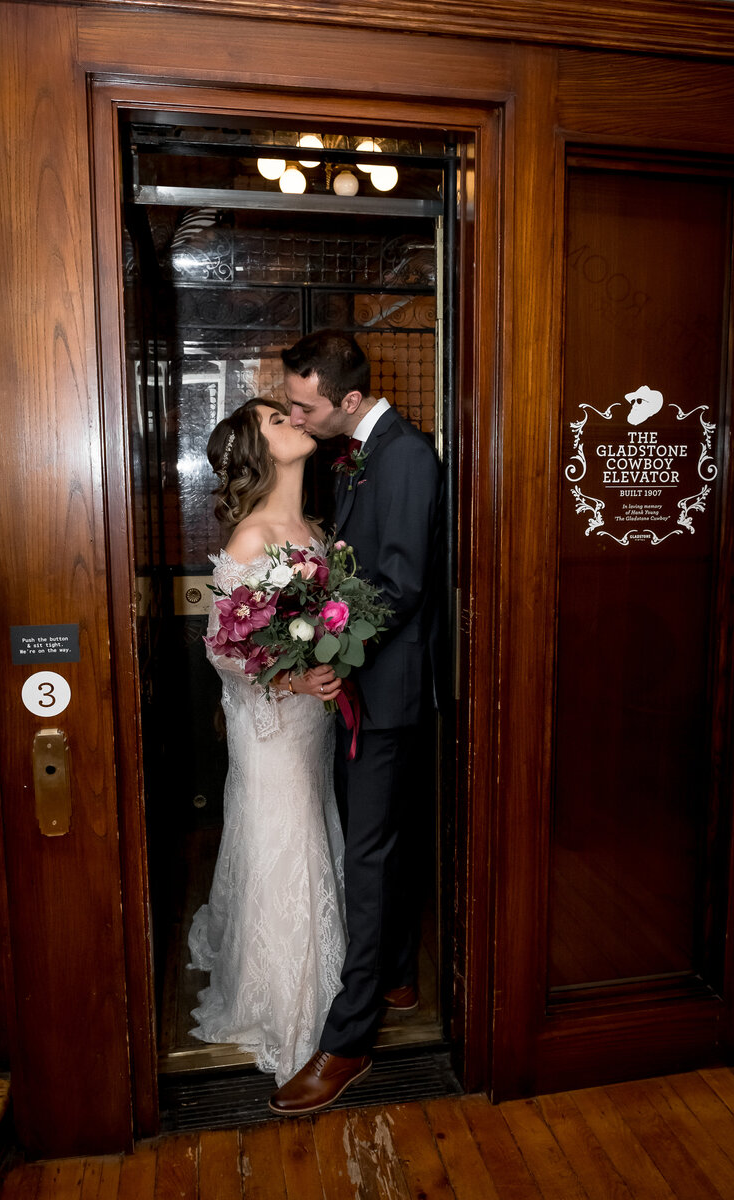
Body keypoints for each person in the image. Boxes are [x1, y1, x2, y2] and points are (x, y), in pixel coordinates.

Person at [269, 330, 441, 1116]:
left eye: (303, 403)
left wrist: (340, 651)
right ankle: (399, 970)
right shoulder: (359, 452)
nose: (293, 413)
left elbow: (400, 582)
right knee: (388, 837)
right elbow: (356, 564)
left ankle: (349, 1042)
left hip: (388, 690)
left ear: (347, 400)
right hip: (368, 684)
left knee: (368, 858)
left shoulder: (405, 454)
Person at [187, 397, 347, 1086]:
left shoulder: (313, 527)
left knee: (315, 826)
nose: (294, 420)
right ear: (260, 450)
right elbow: (223, 649)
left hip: (313, 723)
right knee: (289, 838)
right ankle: (295, 1008)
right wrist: (294, 681)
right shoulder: (252, 537)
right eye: (277, 420)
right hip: (273, 727)